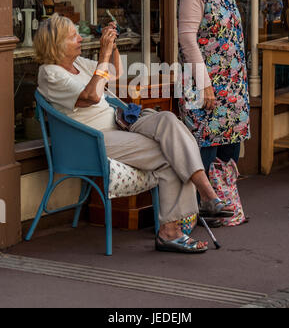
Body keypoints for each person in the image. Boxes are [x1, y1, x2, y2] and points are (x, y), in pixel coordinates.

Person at [34, 14, 234, 254]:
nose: (79, 38)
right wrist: (104, 53)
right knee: (170, 154)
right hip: (92, 138)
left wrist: (113, 46)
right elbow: (92, 96)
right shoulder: (50, 74)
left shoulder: (76, 64)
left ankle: (203, 198)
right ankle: (177, 225)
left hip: (119, 122)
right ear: (56, 45)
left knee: (168, 120)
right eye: (72, 36)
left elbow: (113, 74)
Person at [178, 0, 251, 175]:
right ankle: (202, 210)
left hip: (232, 85)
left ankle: (228, 209)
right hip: (206, 85)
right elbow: (187, 39)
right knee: (205, 152)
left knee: (229, 154)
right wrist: (204, 83)